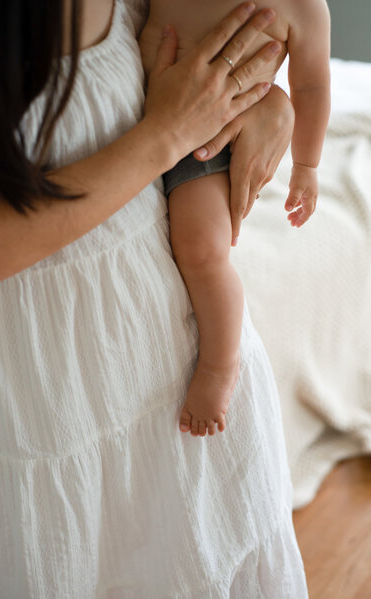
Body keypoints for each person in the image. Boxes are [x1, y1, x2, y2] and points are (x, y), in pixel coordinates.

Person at [0, 0, 308, 596]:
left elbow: (211, 33)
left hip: (180, 376)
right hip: (38, 406)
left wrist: (268, 98)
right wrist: (170, 133)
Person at [139, 0, 331, 438]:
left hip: (211, 144)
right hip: (139, 123)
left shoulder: (302, 9)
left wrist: (306, 166)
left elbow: (313, 87)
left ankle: (219, 365)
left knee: (203, 251)